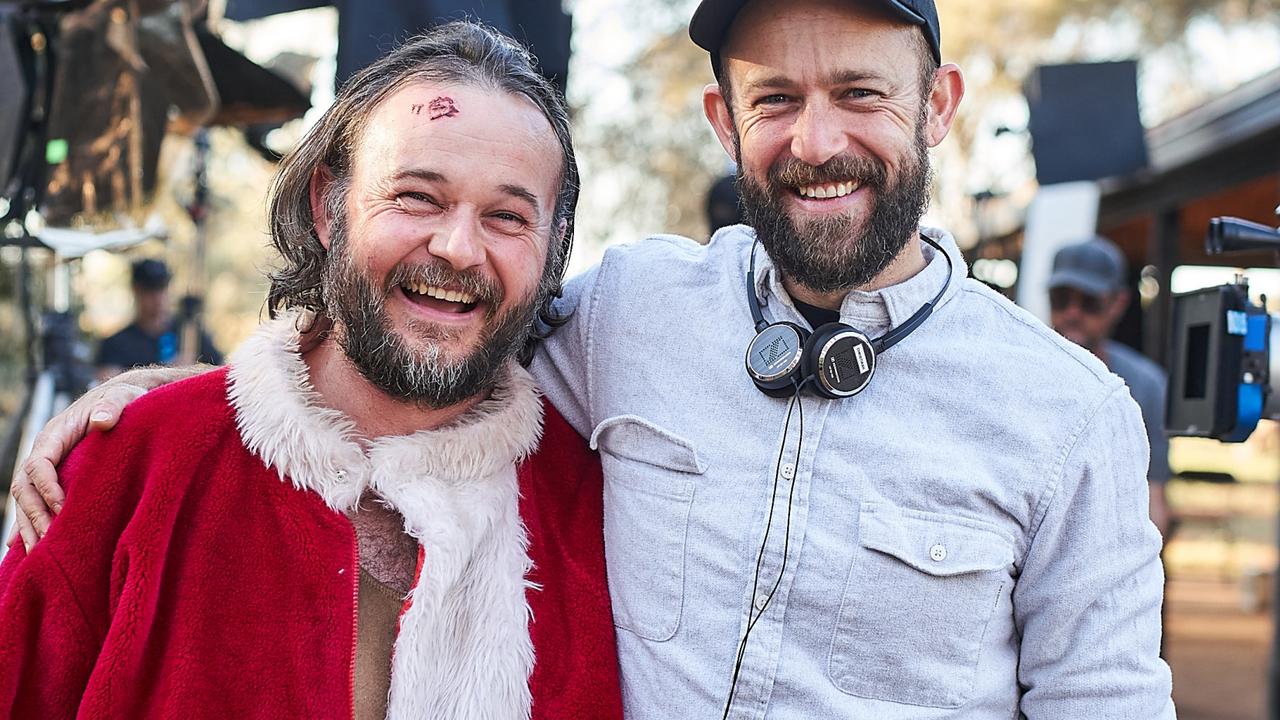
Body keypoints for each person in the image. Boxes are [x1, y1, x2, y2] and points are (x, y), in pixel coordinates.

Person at [13, 2, 1175, 717]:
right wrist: (172, 403)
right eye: (774, 99)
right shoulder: (633, 311)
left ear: (938, 106)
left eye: (860, 93)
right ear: (724, 125)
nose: (815, 141)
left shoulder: (1069, 415)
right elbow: (411, 345)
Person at [0, 23, 620, 720]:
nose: (456, 248)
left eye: (507, 216)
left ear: (554, 242)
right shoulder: (131, 468)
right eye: (417, 196)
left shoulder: (601, 513)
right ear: (329, 206)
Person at [1049, 235, 1173, 536]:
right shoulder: (1021, 373)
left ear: (1118, 303)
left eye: (1089, 302)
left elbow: (1153, 497)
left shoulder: (1146, 385)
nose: (1072, 313)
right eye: (1061, 300)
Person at [95, 258, 223, 381]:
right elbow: (107, 381)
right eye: (149, 290)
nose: (157, 297)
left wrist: (197, 370)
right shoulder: (116, 343)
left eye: (162, 288)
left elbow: (221, 369)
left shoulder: (190, 333)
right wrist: (169, 371)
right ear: (135, 291)